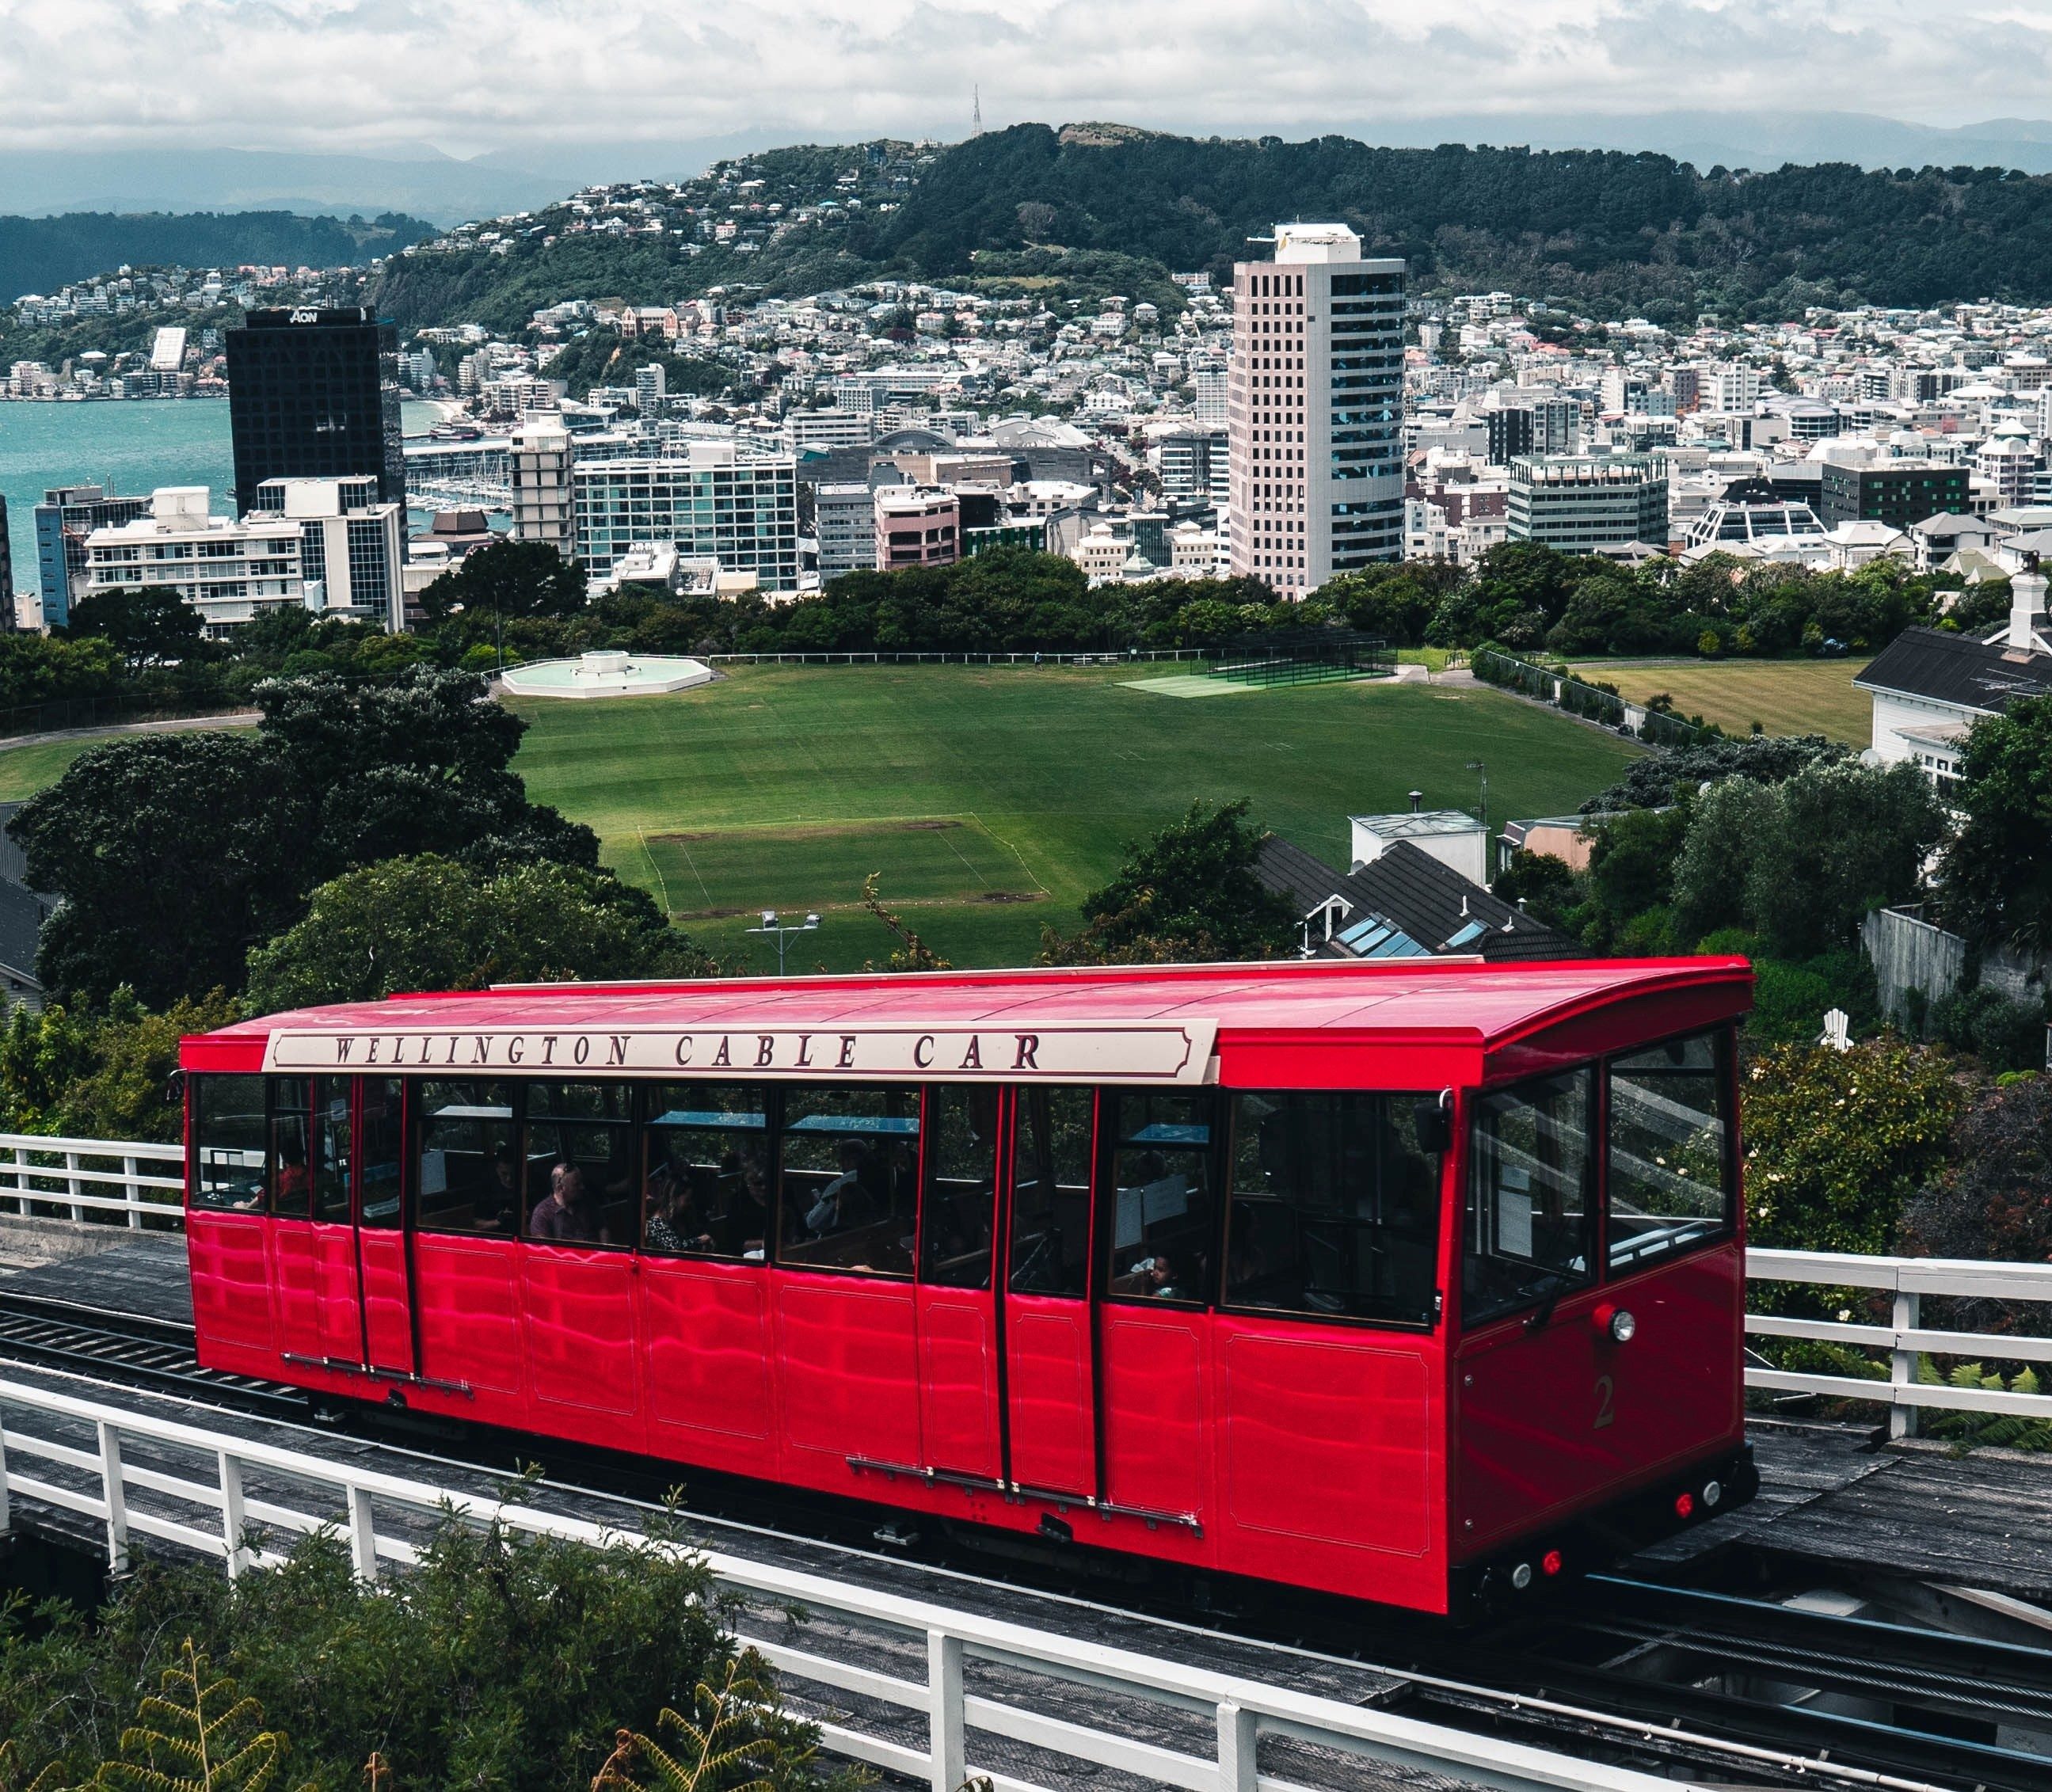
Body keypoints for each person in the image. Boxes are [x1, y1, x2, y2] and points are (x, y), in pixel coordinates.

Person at [530, 1162, 606, 1243]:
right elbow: (544, 1250)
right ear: (560, 1188)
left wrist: (605, 1251)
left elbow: (602, 1228)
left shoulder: (587, 1200)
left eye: (581, 1182)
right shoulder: (543, 1213)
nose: (582, 1187)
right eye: (576, 1185)